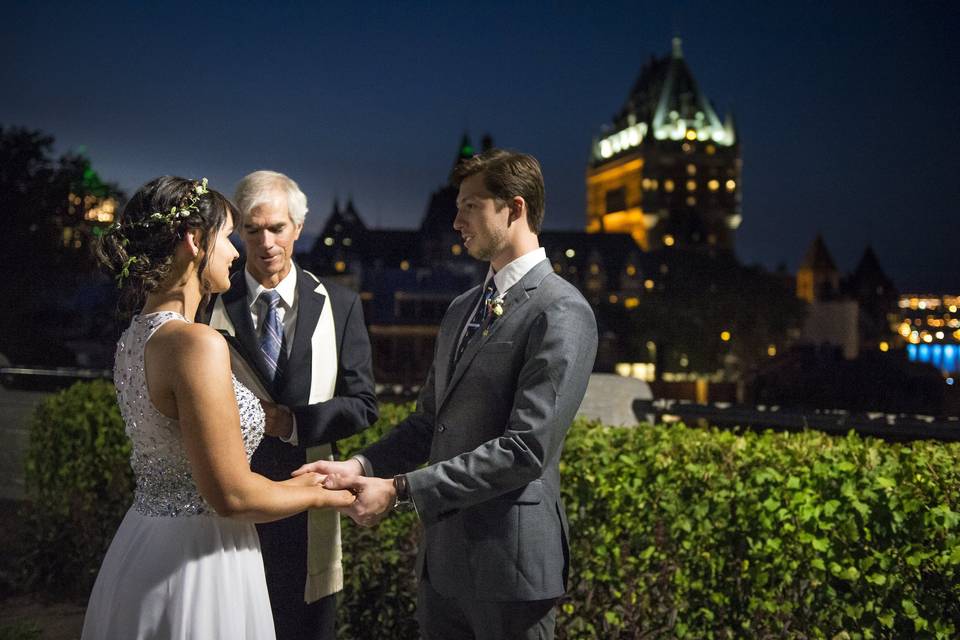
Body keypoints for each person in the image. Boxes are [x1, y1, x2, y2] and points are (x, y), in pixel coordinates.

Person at [296, 149, 598, 640]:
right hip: (443, 567)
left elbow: (526, 450)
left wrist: (398, 492)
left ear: (515, 208)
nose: (455, 221)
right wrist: (360, 467)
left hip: (512, 572)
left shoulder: (562, 311)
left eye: (471, 206)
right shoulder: (462, 308)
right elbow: (427, 423)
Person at [81, 176, 355, 639]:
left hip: (143, 541)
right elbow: (231, 495)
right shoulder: (195, 343)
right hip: (197, 563)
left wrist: (302, 477)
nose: (234, 252)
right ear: (194, 241)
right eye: (227, 237)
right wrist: (331, 495)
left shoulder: (135, 336)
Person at [207, 170, 377, 640]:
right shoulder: (208, 301)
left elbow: (364, 405)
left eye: (277, 228)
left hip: (310, 506)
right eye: (252, 229)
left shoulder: (341, 304)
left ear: (299, 228)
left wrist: (291, 422)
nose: (265, 242)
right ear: (238, 231)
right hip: (231, 502)